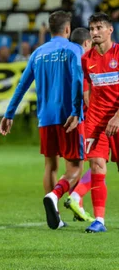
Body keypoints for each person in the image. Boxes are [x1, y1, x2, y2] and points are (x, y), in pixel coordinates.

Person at [0, 11, 84, 230]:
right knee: (75, 166)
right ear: (67, 29)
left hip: (45, 117)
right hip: (69, 117)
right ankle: (56, 197)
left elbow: (22, 85)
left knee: (50, 164)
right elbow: (77, 80)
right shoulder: (74, 49)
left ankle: (54, 215)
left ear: (49, 29)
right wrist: (77, 110)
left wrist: (9, 114)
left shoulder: (38, 53)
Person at [78, 13, 119, 233]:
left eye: (99, 28)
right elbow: (87, 81)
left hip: (118, 117)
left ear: (110, 30)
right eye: (92, 28)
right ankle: (99, 220)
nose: (94, 32)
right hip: (96, 119)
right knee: (96, 166)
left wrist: (118, 116)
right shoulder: (87, 59)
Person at [63, 28, 94, 223]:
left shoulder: (65, 60)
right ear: (86, 43)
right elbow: (86, 95)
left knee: (76, 165)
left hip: (65, 117)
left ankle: (77, 206)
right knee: (95, 165)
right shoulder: (82, 63)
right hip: (85, 120)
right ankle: (73, 198)